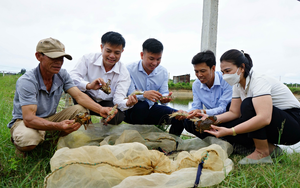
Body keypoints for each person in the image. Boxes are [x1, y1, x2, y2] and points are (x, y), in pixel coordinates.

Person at [8, 37, 117, 156]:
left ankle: (52, 141)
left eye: (61, 58)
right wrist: (58, 126)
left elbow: (79, 96)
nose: (59, 62)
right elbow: (29, 119)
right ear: (38, 56)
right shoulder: (27, 81)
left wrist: (101, 109)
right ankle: (23, 146)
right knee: (27, 138)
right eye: (54, 57)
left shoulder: (62, 74)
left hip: (50, 118)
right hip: (27, 122)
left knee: (82, 111)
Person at [202, 49, 300, 164]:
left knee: (248, 104)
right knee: (224, 122)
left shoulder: (258, 81)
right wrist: (211, 119)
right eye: (223, 72)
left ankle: (262, 152)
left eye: (228, 71)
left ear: (242, 67)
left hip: (292, 125)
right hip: (273, 124)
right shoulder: (237, 85)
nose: (225, 76)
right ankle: (271, 149)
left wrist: (230, 131)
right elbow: (234, 112)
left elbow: (264, 118)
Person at [69, 31, 137, 125]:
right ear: (102, 48)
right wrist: (89, 85)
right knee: (76, 93)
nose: (112, 56)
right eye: (108, 51)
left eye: (117, 52)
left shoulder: (124, 72)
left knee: (118, 117)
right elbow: (72, 79)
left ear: (122, 52)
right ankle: (87, 123)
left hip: (107, 102)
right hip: (87, 98)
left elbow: (118, 99)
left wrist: (127, 104)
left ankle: (103, 124)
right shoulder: (88, 59)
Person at [124, 38, 183, 135]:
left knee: (179, 117)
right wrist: (144, 94)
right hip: (133, 110)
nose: (155, 63)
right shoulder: (129, 69)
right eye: (151, 59)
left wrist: (164, 99)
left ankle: (170, 145)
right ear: (142, 55)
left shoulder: (163, 71)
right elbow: (130, 94)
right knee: (142, 106)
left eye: (158, 59)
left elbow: (164, 93)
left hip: (151, 108)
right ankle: (138, 139)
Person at [175, 51, 232, 136]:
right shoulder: (196, 85)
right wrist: (185, 113)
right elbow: (196, 107)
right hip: (208, 119)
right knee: (186, 121)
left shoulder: (226, 80)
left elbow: (223, 108)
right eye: (196, 71)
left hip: (226, 119)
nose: (199, 75)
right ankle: (209, 140)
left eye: (202, 71)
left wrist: (203, 111)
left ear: (213, 68)